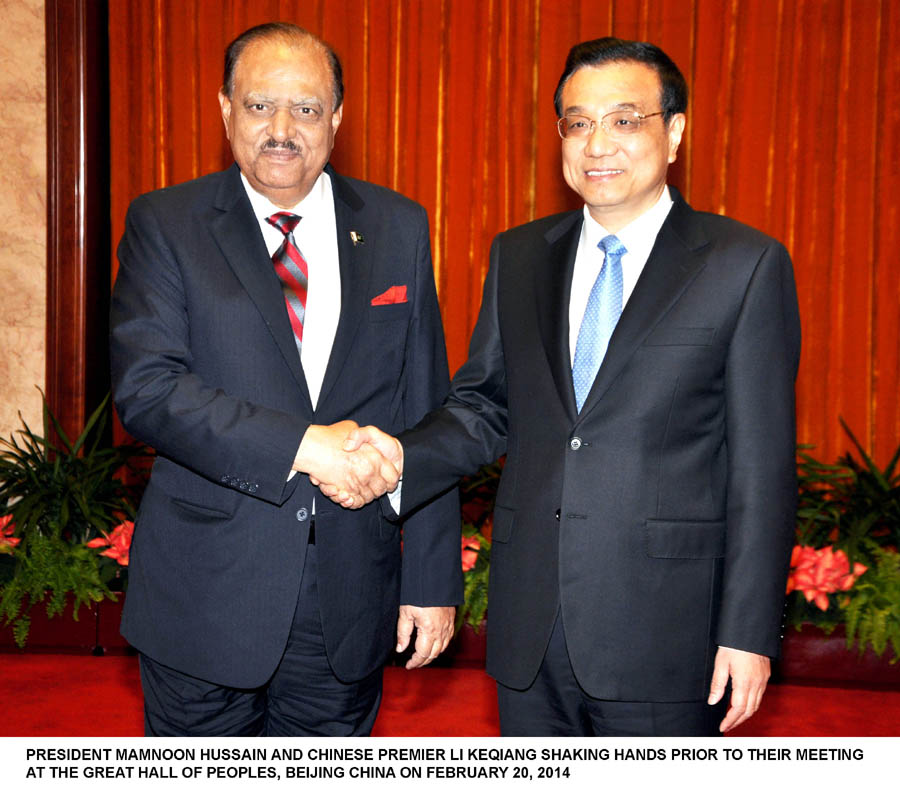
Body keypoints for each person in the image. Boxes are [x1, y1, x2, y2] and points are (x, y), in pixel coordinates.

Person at [338, 37, 801, 736]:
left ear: (675, 132)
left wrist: (749, 630)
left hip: (670, 636)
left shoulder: (745, 264)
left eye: (624, 120)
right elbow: (483, 407)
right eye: (577, 123)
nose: (597, 143)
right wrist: (399, 457)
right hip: (530, 630)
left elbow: (763, 470)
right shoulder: (521, 255)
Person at [110, 22, 461, 736]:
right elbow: (148, 390)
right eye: (259, 104)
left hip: (347, 598)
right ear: (224, 110)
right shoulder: (166, 223)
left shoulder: (398, 226)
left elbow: (427, 409)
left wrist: (429, 581)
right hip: (204, 594)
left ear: (336, 118)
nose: (280, 128)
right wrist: (307, 446)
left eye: (304, 108)